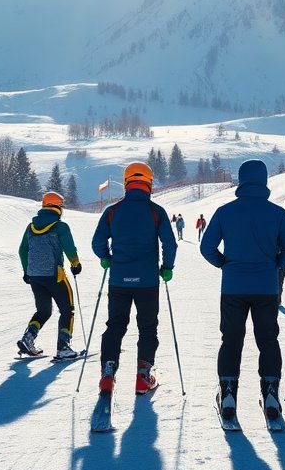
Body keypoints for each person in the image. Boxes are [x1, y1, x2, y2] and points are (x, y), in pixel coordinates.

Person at [200, 160, 285, 423]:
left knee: (231, 340)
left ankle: (228, 395)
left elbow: (207, 247)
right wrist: (276, 264)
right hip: (266, 287)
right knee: (268, 340)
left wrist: (225, 264)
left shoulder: (225, 212)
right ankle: (270, 394)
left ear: (242, 180)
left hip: (234, 287)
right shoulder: (277, 214)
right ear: (264, 181)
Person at [92, 162, 177, 396]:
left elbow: (97, 243)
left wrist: (106, 258)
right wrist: (167, 267)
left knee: (115, 326)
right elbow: (170, 244)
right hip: (148, 282)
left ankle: (108, 373)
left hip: (119, 280)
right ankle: (143, 377)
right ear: (148, 183)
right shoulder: (156, 211)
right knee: (147, 328)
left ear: (127, 183)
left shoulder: (112, 211)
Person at [17, 191, 84, 360]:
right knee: (67, 310)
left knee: (43, 310)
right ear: (58, 207)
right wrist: (75, 264)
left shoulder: (30, 227)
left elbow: (22, 250)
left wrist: (27, 271)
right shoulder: (60, 227)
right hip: (55, 276)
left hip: (35, 276)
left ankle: (28, 339)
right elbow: (69, 248)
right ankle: (63, 347)